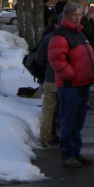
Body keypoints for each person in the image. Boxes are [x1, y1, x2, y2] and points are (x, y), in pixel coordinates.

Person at [48, 3, 94, 168]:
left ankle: (75, 151)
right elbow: (57, 60)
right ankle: (68, 154)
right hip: (71, 86)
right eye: (75, 15)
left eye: (79, 14)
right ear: (66, 16)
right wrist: (72, 75)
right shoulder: (61, 35)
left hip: (81, 84)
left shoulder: (78, 33)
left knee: (78, 120)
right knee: (69, 120)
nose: (78, 17)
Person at [34, 14, 60, 147]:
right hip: (66, 81)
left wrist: (48, 65)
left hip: (50, 78)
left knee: (48, 110)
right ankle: (58, 135)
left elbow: (39, 57)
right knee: (63, 111)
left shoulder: (48, 38)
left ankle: (45, 137)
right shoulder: (72, 38)